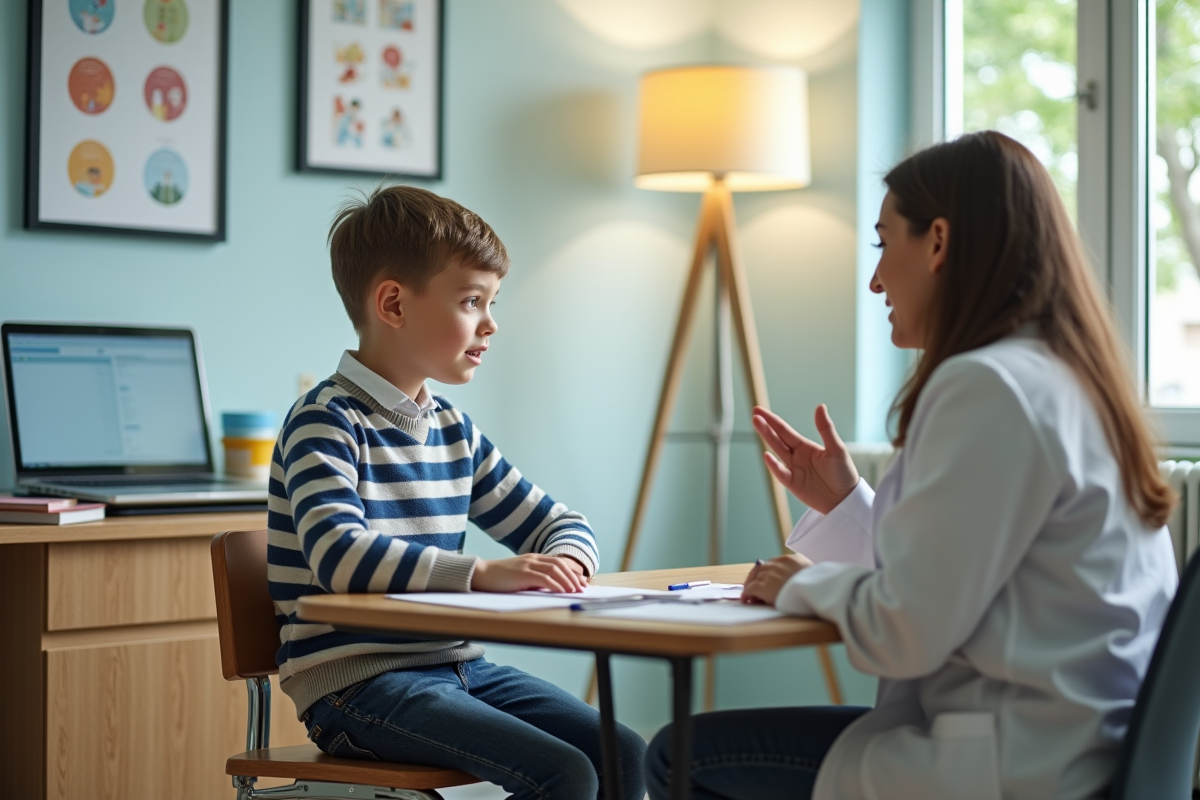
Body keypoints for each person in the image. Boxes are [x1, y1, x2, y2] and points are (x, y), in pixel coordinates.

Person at [645, 131, 1179, 800]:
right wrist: (846, 505)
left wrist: (800, 585)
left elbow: (907, 632)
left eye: (883, 242)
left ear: (938, 242)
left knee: (678, 756)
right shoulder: (1066, 380)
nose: (875, 280)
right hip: (1077, 747)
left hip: (1013, 765)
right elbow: (968, 576)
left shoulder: (987, 386)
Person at [268, 184, 646, 800]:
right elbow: (339, 555)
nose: (491, 324)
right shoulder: (325, 420)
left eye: (492, 302)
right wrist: (483, 574)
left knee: (624, 754)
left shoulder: (452, 429)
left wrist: (567, 561)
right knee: (567, 773)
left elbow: (557, 523)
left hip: (460, 668)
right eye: (472, 301)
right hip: (354, 686)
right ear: (394, 303)